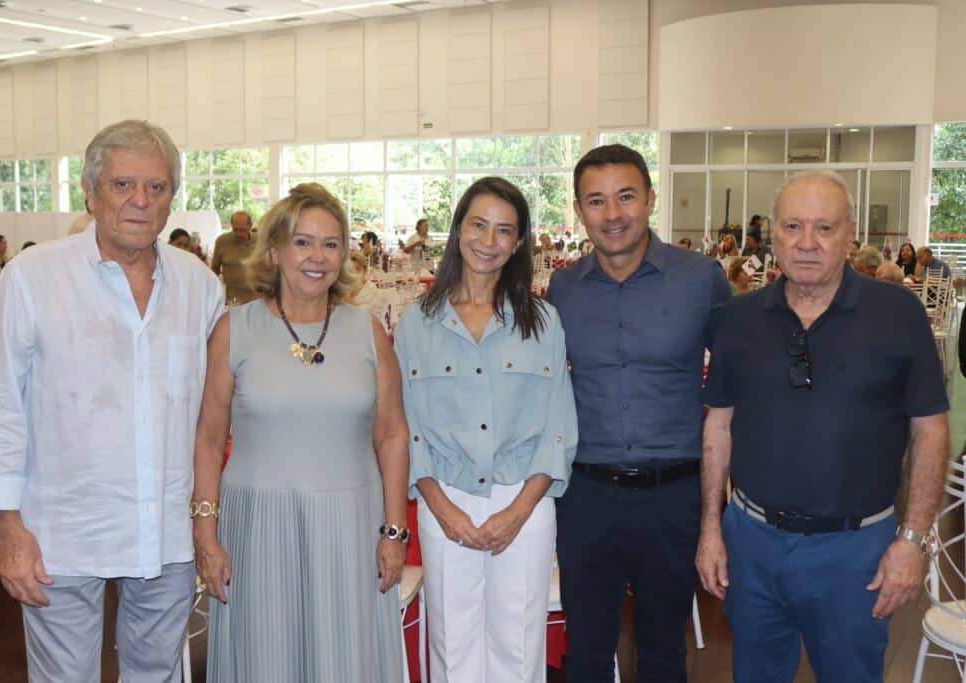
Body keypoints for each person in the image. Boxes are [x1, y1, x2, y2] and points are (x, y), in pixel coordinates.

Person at [0, 119, 225, 682]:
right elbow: (0, 407)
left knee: (155, 673)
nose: (140, 200)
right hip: (61, 530)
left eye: (156, 187)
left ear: (172, 197)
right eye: (122, 184)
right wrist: (8, 532)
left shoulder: (200, 286)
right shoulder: (33, 277)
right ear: (89, 190)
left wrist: (206, 524)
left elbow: (210, 416)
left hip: (165, 531)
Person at [698, 171, 949, 683]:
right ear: (773, 234)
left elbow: (931, 431)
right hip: (752, 540)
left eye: (824, 227)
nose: (807, 242)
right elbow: (718, 427)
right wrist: (711, 527)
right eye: (793, 226)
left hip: (855, 551)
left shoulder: (897, 313)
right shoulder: (738, 318)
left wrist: (912, 539)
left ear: (850, 234)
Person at [194, 182, 407, 682]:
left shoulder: (368, 332)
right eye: (302, 242)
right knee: (264, 659)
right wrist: (205, 533)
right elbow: (208, 437)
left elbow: (393, 435)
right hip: (257, 527)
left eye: (331, 244)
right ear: (274, 250)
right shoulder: (234, 330)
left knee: (346, 660)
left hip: (351, 527)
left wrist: (394, 531)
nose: (318, 257)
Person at [546, 144, 730, 682]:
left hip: (672, 495)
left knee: (663, 652)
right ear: (578, 210)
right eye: (596, 200)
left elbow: (734, 383)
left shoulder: (701, 278)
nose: (612, 214)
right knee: (586, 652)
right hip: (585, 496)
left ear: (650, 199)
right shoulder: (563, 288)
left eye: (625, 196)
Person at [396, 176, 577, 683]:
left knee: (517, 647)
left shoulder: (543, 321)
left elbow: (558, 427)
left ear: (518, 243)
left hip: (524, 499)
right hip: (444, 498)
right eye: (478, 225)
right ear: (458, 230)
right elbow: (405, 427)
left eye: (504, 230)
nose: (488, 241)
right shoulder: (417, 322)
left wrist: (518, 511)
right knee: (451, 645)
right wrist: (442, 508)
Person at [212, 211, 259, 304]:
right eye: (235, 229)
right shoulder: (222, 241)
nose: (238, 234)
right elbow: (214, 270)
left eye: (242, 230)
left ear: (250, 226)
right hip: (232, 300)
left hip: (255, 299)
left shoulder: (259, 241)